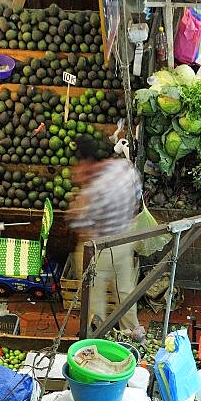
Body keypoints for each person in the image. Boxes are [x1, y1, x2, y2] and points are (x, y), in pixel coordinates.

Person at [68, 135, 143, 335]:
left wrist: (78, 204)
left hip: (98, 249)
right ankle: (133, 334)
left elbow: (79, 223)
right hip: (125, 240)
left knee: (94, 299)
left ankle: (96, 338)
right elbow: (137, 199)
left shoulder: (94, 191)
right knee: (125, 292)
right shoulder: (126, 170)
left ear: (87, 163)